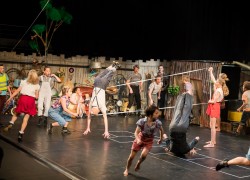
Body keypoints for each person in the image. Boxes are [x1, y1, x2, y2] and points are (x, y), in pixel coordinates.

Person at [83, 61, 121, 139]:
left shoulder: (96, 106)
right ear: (96, 112)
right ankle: (113, 65)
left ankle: (114, 66)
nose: (92, 112)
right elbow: (102, 118)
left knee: (107, 73)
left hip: (99, 84)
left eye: (92, 111)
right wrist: (106, 130)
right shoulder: (97, 106)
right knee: (107, 73)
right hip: (99, 84)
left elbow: (91, 117)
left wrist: (88, 127)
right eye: (94, 112)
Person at [123, 105, 164, 176]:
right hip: (140, 138)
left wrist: (161, 139)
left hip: (149, 141)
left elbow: (161, 130)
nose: (158, 114)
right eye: (156, 113)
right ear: (150, 114)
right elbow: (136, 132)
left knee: (144, 155)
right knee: (131, 157)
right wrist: (138, 139)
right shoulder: (142, 121)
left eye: (158, 113)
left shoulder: (158, 123)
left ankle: (138, 163)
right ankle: (127, 169)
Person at [4, 69, 40, 142]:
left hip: (23, 99)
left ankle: (11, 122)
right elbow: (36, 97)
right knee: (26, 118)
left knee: (17, 112)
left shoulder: (23, 82)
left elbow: (17, 91)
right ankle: (21, 133)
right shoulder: (37, 85)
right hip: (30, 100)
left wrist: (10, 98)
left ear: (29, 75)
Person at [163, 92, 199, 156]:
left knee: (185, 112)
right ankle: (182, 96)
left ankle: (187, 96)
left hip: (182, 128)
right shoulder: (171, 149)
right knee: (178, 111)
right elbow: (164, 135)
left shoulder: (186, 149)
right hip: (172, 128)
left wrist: (192, 148)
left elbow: (197, 138)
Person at [204, 67, 229, 148]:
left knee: (213, 126)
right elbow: (213, 80)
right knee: (212, 125)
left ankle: (212, 143)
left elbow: (214, 101)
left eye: (216, 82)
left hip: (215, 106)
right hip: (215, 106)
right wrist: (211, 71)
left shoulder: (218, 91)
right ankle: (213, 141)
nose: (215, 82)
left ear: (219, 83)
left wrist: (209, 101)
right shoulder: (219, 88)